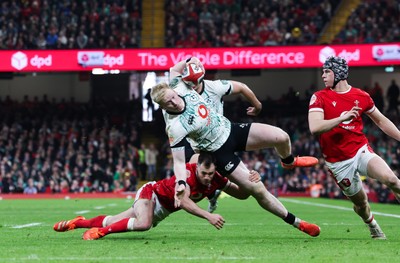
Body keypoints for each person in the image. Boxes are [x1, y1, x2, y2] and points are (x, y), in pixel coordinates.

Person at [150, 58, 321, 237]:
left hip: (230, 129)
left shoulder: (177, 84)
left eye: (173, 98)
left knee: (281, 136)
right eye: (168, 103)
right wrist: (181, 182)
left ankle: (288, 161)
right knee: (257, 189)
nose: (174, 102)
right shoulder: (174, 127)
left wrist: (192, 59)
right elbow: (178, 161)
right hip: (217, 151)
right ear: (162, 107)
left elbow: (175, 67)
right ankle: (298, 223)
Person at [53, 152, 260, 240]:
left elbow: (242, 195)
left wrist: (252, 181)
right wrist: (209, 216)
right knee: (144, 224)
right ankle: (101, 232)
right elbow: (183, 201)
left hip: (162, 208)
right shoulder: (187, 173)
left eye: (210, 173)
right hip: (151, 193)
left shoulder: (217, 179)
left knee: (117, 220)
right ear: (197, 168)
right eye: (203, 173)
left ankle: (79, 223)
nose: (206, 177)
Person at [308, 56, 400, 239]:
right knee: (361, 203)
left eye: (327, 71)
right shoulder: (319, 97)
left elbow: (381, 121)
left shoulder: (361, 96)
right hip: (338, 162)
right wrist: (341, 118)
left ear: (339, 73)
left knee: (392, 180)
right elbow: (315, 128)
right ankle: (371, 224)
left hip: (360, 150)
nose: (323, 75)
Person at [169, 57, 263, 213]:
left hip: (220, 138)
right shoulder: (182, 91)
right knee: (194, 179)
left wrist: (257, 105)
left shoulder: (215, 87)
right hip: (196, 143)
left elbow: (241, 87)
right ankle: (210, 193)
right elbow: (173, 70)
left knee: (244, 190)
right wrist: (190, 60)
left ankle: (222, 186)